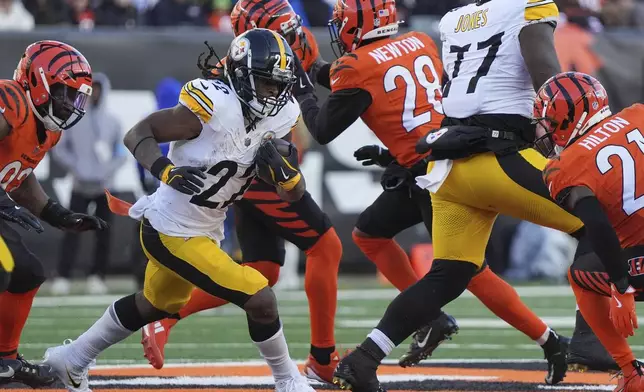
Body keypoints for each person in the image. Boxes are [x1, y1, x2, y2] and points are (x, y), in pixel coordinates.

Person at [297, 0, 572, 384]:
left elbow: (328, 121)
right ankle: (435, 318)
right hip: (431, 150)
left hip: (433, 167)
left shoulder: (356, 66)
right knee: (371, 234)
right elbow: (372, 84)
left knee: (465, 271)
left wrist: (301, 84)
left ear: (351, 27)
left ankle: (548, 339)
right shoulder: (419, 41)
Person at [43, 29, 315, 392]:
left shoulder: (281, 116)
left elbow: (294, 195)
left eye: (279, 85)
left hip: (205, 228)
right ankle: (288, 381)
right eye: (265, 82)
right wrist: (165, 170)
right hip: (171, 228)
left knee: (154, 304)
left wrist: (285, 173)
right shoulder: (212, 105)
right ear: (241, 75)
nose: (273, 93)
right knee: (261, 298)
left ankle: (70, 359)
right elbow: (138, 133)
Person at [140, 0, 344, 383]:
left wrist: (330, 74)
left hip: (244, 177)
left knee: (263, 269)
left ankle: (166, 318)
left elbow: (313, 93)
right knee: (326, 245)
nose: (292, 38)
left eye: (291, 27)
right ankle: (322, 357)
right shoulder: (251, 76)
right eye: (282, 31)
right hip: (254, 175)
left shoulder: (262, 64)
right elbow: (311, 130)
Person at [0, 40, 107, 388]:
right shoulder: (12, 100)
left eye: (75, 97)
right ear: (38, 80)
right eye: (64, 92)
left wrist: (56, 213)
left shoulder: (48, 131)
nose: (69, 104)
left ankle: (5, 359)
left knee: (27, 272)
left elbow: (19, 174)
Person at [537, 71, 644, 391]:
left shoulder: (564, 166)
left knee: (581, 274)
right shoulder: (638, 113)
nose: (543, 129)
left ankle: (631, 373)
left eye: (546, 119)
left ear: (566, 116)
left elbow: (596, 226)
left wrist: (621, 286)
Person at [51, 72, 126, 295]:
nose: (95, 94)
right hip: (79, 184)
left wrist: (108, 169)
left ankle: (97, 276)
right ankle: (63, 276)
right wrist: (77, 166)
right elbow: (60, 148)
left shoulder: (113, 122)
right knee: (71, 229)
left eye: (99, 90)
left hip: (105, 186)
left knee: (103, 233)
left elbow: (121, 152)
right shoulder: (74, 120)